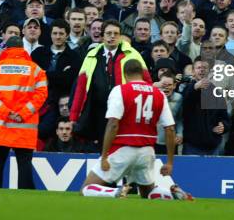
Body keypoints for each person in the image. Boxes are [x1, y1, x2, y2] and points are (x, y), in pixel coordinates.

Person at [80, 59, 191, 200]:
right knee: (147, 193)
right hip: (147, 152)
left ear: (124, 74)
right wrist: (169, 162)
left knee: (85, 189)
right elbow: (169, 129)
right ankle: (172, 194)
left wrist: (105, 155)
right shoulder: (158, 94)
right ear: (142, 74)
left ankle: (115, 192)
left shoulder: (120, 90)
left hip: (122, 149)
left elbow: (113, 123)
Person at [0, 36, 48, 189]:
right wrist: (22, 114)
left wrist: (6, 113)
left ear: (6, 49)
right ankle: (27, 207)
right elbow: (41, 95)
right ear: (23, 49)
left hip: (0, 127)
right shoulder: (36, 70)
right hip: (24, 127)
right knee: (25, 169)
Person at [70, 19, 150, 145]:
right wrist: (74, 116)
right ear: (102, 36)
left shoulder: (133, 55)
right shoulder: (91, 55)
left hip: (124, 111)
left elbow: (146, 84)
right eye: (108, 33)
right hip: (97, 112)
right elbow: (81, 88)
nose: (112, 36)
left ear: (120, 36)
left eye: (116, 33)